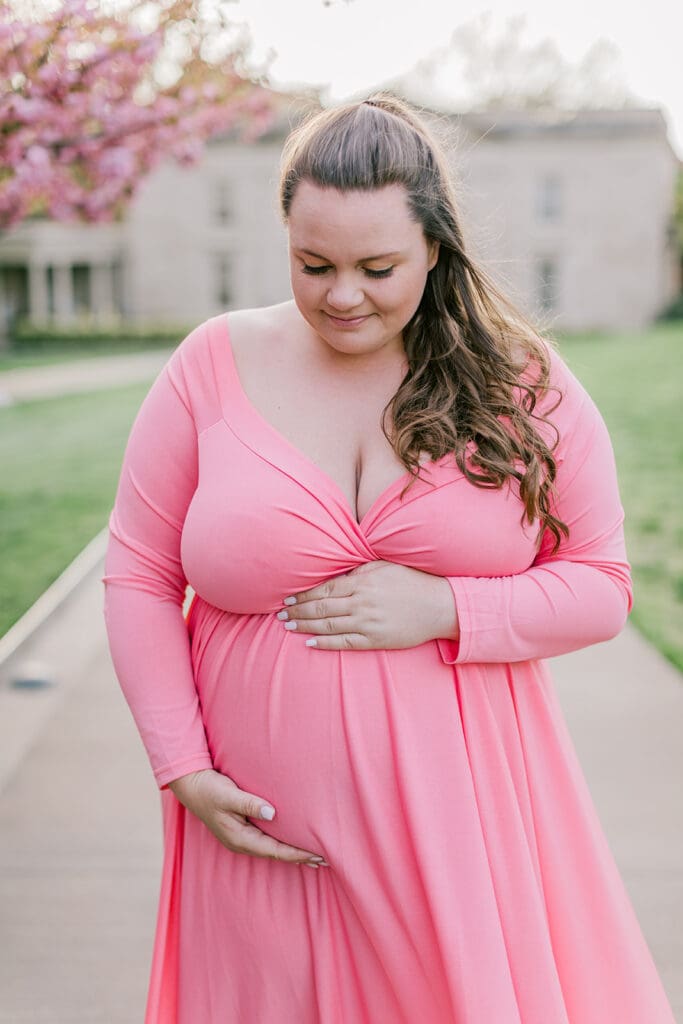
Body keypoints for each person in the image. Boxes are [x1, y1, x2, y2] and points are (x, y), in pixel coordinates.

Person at [102, 94, 675, 1023]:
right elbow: (138, 573)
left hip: (460, 831)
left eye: (377, 267)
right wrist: (181, 764)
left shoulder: (519, 380)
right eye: (312, 264)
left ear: (435, 249)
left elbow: (602, 585)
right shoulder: (213, 363)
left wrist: (450, 608)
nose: (341, 295)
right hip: (256, 838)